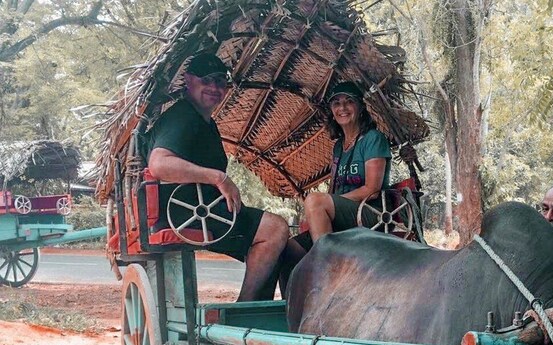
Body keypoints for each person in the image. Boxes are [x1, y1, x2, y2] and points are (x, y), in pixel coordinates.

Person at [145, 52, 288, 301]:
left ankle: (264, 313)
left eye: (220, 82)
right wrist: (219, 178)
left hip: (204, 209)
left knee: (289, 247)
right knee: (274, 229)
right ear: (189, 81)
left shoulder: (205, 122)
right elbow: (159, 164)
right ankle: (244, 311)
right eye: (207, 80)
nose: (214, 87)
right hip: (187, 213)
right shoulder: (183, 117)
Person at [276, 81, 392, 291]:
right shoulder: (339, 146)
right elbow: (333, 190)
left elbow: (372, 189)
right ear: (331, 110)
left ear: (360, 107)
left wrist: (326, 205)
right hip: (342, 214)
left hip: (370, 213)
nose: (343, 108)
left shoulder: (373, 139)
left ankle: (329, 278)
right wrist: (321, 209)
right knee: (287, 250)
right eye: (336, 103)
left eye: (349, 102)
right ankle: (290, 309)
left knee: (315, 200)